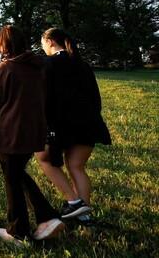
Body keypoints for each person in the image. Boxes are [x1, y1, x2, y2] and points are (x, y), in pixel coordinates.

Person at [0, 25, 64, 245]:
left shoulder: (4, 70)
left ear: (3, 45)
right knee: (16, 173)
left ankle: (20, 230)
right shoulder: (40, 66)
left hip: (9, 132)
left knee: (12, 179)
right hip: (33, 131)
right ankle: (46, 216)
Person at [35, 28, 111, 221]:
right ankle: (83, 216)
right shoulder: (83, 65)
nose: (42, 48)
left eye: (42, 43)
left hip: (61, 124)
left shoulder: (48, 64)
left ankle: (74, 202)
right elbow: (96, 99)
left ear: (50, 42)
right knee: (77, 167)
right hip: (89, 123)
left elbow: (44, 98)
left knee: (44, 159)